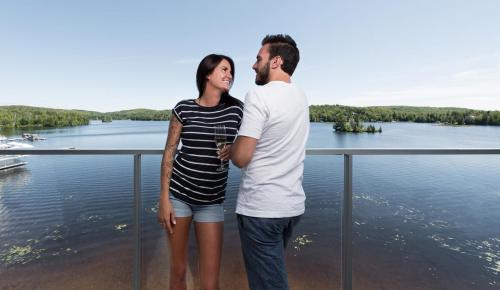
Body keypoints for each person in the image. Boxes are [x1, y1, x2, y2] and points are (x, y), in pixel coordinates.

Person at [157, 54, 243, 290]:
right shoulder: (183, 108)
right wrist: (164, 198)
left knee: (210, 283)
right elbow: (169, 153)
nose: (230, 75)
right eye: (224, 70)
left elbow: (252, 142)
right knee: (178, 272)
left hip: (212, 202)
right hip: (179, 197)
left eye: (231, 71)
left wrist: (234, 147)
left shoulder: (237, 110)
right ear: (207, 73)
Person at [231, 34, 309, 290]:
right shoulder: (300, 97)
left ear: (275, 61)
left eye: (258, 58)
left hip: (262, 208)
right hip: (291, 207)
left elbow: (241, 158)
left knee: (268, 284)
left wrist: (231, 148)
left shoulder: (258, 95)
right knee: (272, 274)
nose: (254, 65)